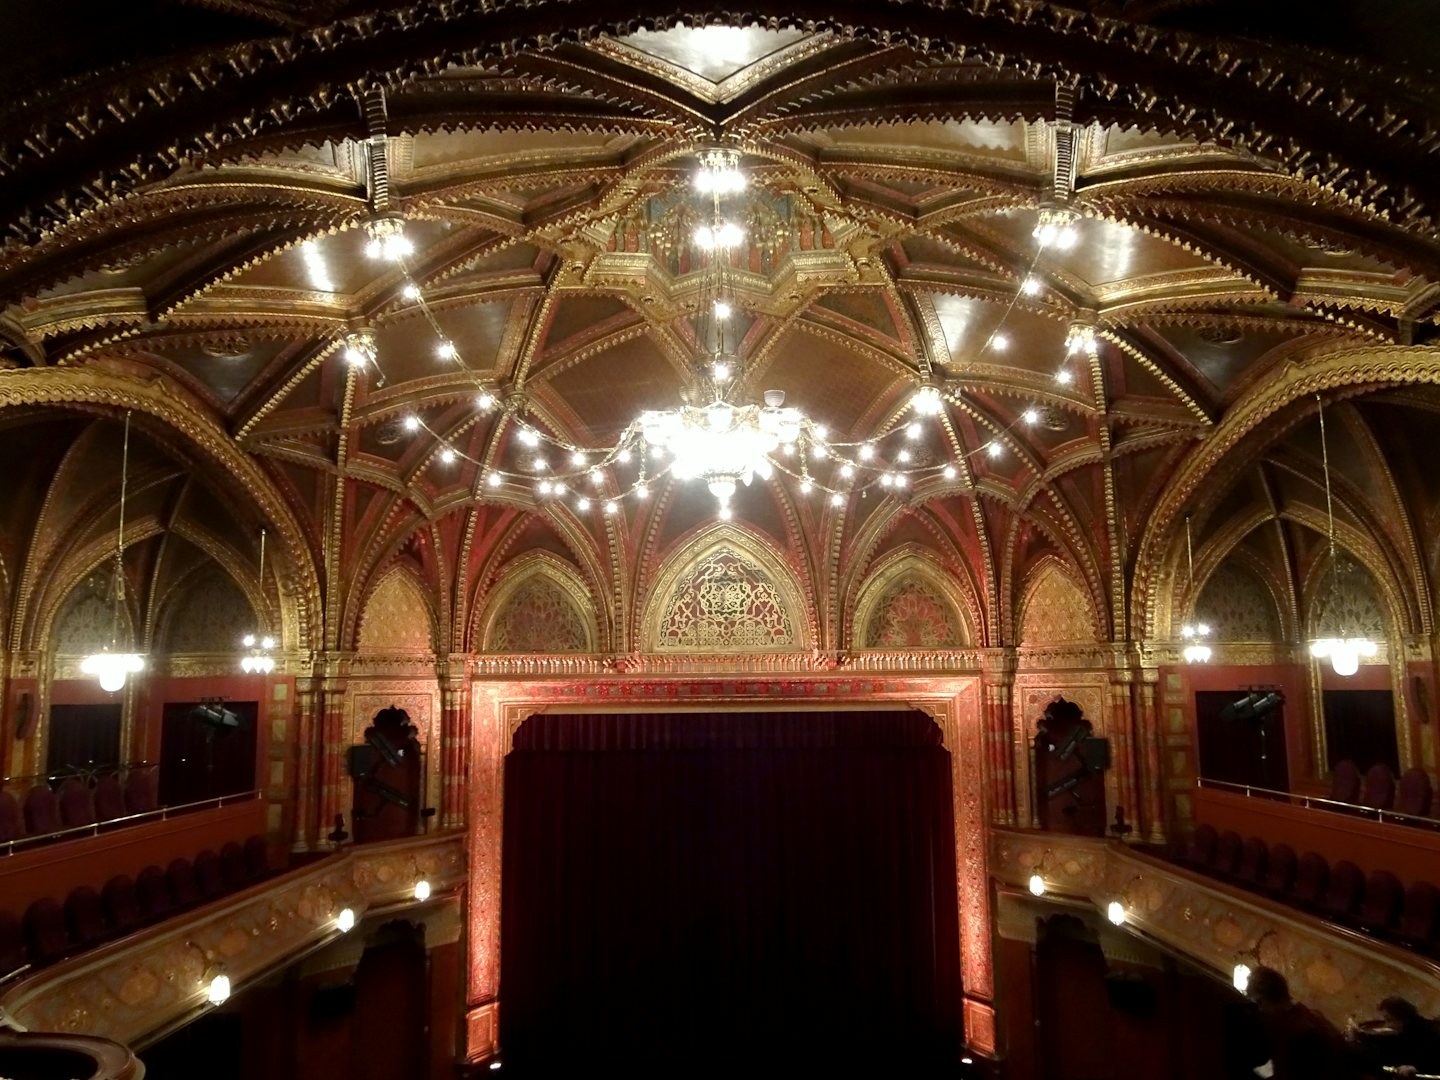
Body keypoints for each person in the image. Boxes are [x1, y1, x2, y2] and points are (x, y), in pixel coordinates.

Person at [1246, 966, 1363, 1079]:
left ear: (1263, 1001)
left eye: (1257, 1004)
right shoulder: (1310, 1015)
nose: (1257, 1012)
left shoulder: (1293, 1034)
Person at [1348, 996, 1440, 1078]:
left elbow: (1431, 1059)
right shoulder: (1406, 1029)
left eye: (1389, 1019)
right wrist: (1360, 1035)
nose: (1387, 1025)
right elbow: (1391, 1042)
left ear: (1402, 1015)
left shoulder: (1427, 1032)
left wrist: (1416, 1068)